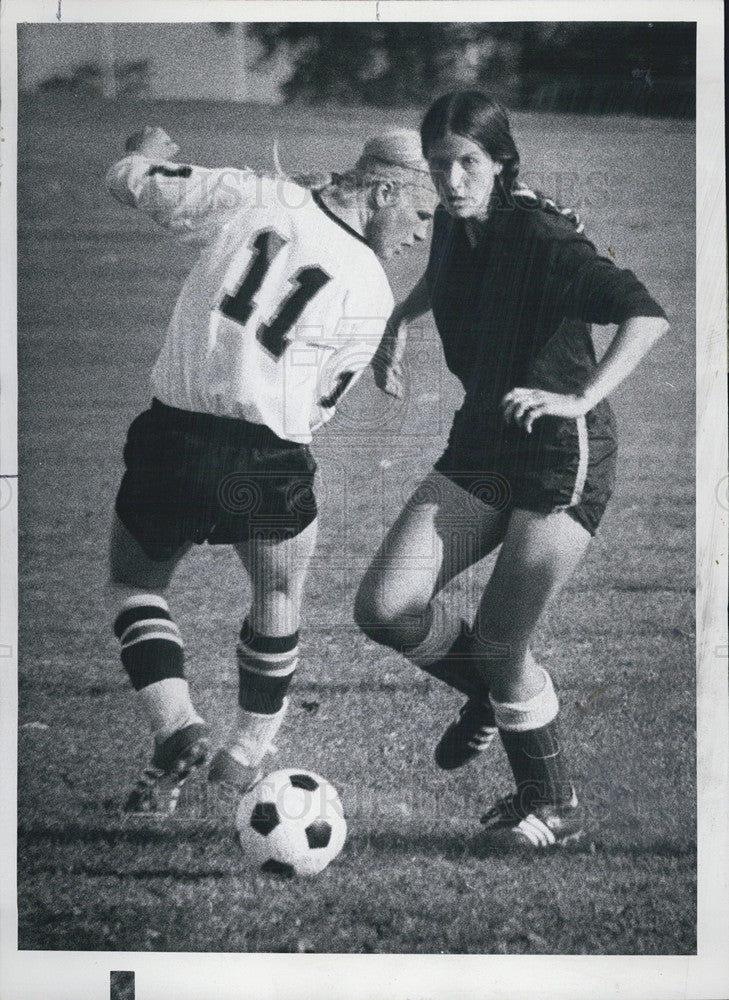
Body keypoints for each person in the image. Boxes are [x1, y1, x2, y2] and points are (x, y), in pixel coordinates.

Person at [355, 90, 669, 850]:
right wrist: (400, 321)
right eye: (440, 164)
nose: (453, 178)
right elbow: (447, 278)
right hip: (482, 441)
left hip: (560, 455)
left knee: (500, 644)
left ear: (500, 161)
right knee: (384, 606)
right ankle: (497, 695)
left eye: (468, 161)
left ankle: (552, 804)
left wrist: (579, 397)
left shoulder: (539, 233)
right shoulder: (455, 224)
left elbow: (645, 311)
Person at [105, 125, 437, 814]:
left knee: (135, 584)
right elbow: (321, 406)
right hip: (271, 456)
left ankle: (175, 726)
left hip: (174, 437)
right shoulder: (371, 290)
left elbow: (132, 183)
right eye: (421, 215)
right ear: (381, 191)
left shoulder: (253, 196)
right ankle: (245, 754)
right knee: (278, 597)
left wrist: (146, 155)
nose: (420, 235)